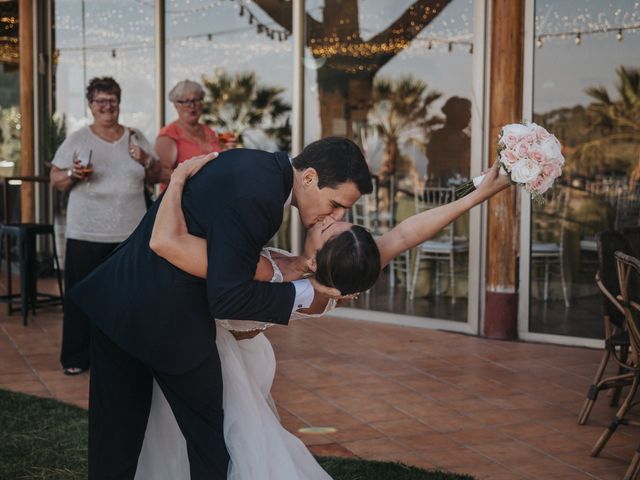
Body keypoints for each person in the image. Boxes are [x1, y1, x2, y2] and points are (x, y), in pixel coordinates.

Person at [134, 153, 511, 479]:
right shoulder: (342, 270)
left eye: (331, 228)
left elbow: (170, 244)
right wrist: (476, 195)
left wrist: (179, 178)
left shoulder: (276, 273)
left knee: (222, 447)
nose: (329, 219)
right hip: (243, 358)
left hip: (221, 361)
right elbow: (404, 234)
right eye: (339, 218)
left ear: (320, 257)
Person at [66, 137, 374, 480]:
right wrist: (302, 293)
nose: (334, 216)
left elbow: (222, 257)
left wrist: (290, 270)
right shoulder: (263, 200)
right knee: (212, 447)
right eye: (334, 204)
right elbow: (226, 297)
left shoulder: (252, 165)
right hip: (169, 323)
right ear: (309, 178)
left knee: (113, 448)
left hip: (117, 299)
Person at [50, 76, 160, 376]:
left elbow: (156, 175)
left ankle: (129, 355)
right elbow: (56, 180)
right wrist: (74, 173)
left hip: (130, 233)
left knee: (130, 297)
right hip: (86, 231)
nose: (107, 106)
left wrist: (147, 160)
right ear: (91, 105)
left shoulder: (135, 136)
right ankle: (76, 356)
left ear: (119, 104)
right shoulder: (77, 139)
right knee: (81, 295)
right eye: (101, 101)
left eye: (112, 100)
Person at [156, 79, 233, 185]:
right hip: (184, 199)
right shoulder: (169, 134)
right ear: (176, 105)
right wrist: (195, 181)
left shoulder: (209, 131)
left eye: (197, 100)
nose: (192, 105)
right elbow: (161, 174)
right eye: (186, 101)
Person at [427, 96, 472, 185]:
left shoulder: (465, 137)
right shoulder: (439, 137)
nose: (470, 116)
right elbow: (437, 162)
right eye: (466, 112)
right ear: (455, 115)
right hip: (445, 189)